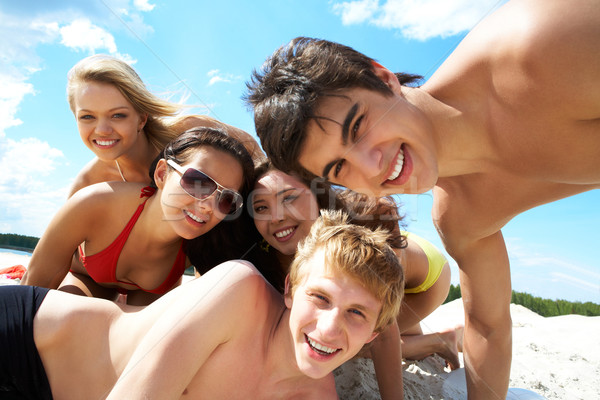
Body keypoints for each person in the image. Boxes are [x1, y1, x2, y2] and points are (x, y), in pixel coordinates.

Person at [245, 1, 600, 397]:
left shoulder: (535, 46)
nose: (372, 165)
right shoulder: (461, 216)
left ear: (383, 77)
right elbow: (487, 326)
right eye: (340, 169)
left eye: (359, 126)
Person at [1, 210, 404, 399]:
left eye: (356, 313)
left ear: (372, 334)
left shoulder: (315, 398)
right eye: (320, 297)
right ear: (289, 290)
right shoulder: (238, 291)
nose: (330, 328)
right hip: (25, 341)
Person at [251, 161, 462, 399]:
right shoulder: (269, 249)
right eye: (261, 208)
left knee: (358, 340)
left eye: (288, 198)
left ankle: (438, 343)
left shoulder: (358, 229)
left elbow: (384, 338)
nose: (276, 217)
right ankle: (440, 340)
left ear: (317, 194)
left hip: (424, 276)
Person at [21, 127, 254, 305]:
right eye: (199, 183)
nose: (208, 206)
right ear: (162, 174)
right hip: (86, 279)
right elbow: (28, 291)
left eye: (226, 199)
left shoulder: (206, 248)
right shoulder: (95, 203)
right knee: (68, 307)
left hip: (147, 298)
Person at [66, 54, 263, 196]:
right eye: (87, 117)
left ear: (142, 118)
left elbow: (258, 158)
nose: (102, 130)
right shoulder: (87, 185)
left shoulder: (193, 131)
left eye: (118, 115)